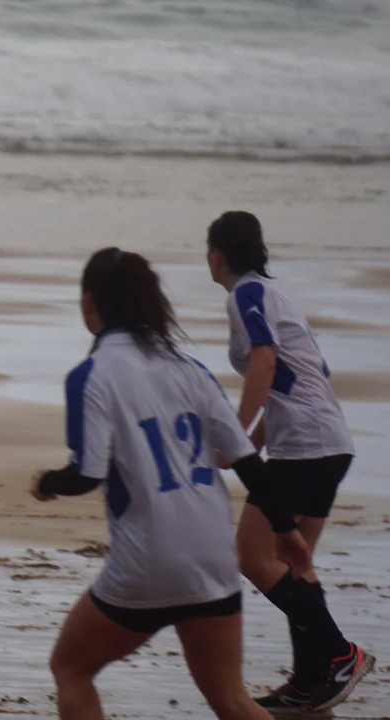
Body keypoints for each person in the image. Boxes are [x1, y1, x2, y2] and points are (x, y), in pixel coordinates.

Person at [30, 247, 312, 720]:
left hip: (149, 562)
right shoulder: (191, 371)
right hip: (213, 558)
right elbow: (247, 461)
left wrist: (47, 482)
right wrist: (285, 529)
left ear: (88, 304)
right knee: (231, 699)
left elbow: (88, 474)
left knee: (71, 668)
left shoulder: (92, 375)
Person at [206, 210, 375, 711]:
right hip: (328, 441)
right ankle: (309, 682)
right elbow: (295, 379)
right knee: (293, 563)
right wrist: (252, 444)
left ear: (216, 256)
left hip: (306, 446)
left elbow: (264, 362)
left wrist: (236, 437)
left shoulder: (245, 295)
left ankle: (341, 654)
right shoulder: (273, 294)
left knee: (252, 556)